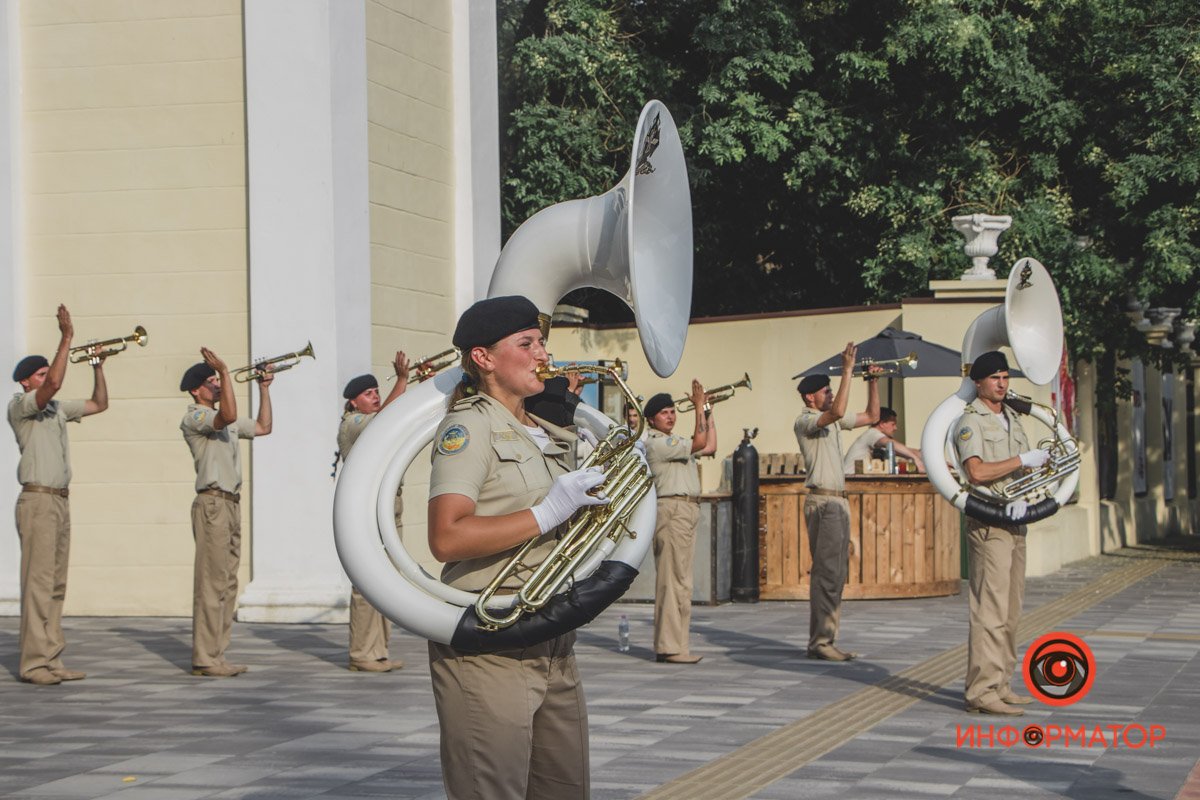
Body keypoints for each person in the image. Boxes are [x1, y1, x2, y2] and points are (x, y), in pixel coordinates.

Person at [427, 295, 605, 800]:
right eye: (526, 344)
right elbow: (446, 537)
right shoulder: (469, 426)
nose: (542, 354)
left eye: (541, 342)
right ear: (483, 358)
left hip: (553, 634)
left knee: (566, 790)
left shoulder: (543, 431)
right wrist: (546, 513)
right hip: (491, 643)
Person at [8, 305, 108, 685]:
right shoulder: (21, 406)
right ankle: (34, 664)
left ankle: (52, 658)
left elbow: (99, 404)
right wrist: (66, 338)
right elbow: (54, 384)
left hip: (60, 500)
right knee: (38, 584)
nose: (46, 377)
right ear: (25, 382)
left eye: (45, 371)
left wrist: (98, 367)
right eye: (39, 374)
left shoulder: (54, 410)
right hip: (37, 500)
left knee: (55, 584)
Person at [954, 350, 1049, 716]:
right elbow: (976, 472)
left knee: (1011, 609)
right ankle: (981, 690)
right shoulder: (971, 420)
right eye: (994, 377)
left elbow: (1020, 470)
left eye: (1006, 377)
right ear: (978, 382)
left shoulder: (1013, 418)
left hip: (1015, 518)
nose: (1002, 383)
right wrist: (1021, 460)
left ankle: (1001, 683)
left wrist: (1034, 474)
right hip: (989, 520)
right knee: (989, 609)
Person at [179, 348, 273, 678]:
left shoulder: (223, 419)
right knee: (211, 582)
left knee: (227, 583)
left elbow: (263, 427)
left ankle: (217, 653)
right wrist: (225, 372)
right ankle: (205, 657)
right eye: (211, 382)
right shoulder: (196, 417)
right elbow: (229, 416)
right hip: (213, 503)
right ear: (196, 390)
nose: (217, 385)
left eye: (217, 381)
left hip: (231, 503)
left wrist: (264, 389)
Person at [794, 342, 880, 662]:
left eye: (831, 391)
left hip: (837, 502)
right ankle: (820, 642)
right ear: (810, 397)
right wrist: (847, 371)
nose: (830, 395)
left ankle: (825, 639)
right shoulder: (805, 420)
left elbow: (872, 416)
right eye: (825, 391)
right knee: (827, 573)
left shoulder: (831, 420)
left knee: (836, 573)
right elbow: (839, 411)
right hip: (823, 501)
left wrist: (872, 381)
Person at [337, 352, 410, 673]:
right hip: (368, 508)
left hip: (387, 506)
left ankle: (378, 650)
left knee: (386, 581)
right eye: (368, 394)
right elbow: (386, 420)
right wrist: (404, 380)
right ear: (353, 402)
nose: (376, 396)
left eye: (377, 391)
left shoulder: (373, 421)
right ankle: (362, 652)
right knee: (367, 582)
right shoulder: (353, 422)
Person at [643, 385, 716, 665]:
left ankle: (677, 646)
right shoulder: (657, 443)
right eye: (664, 413)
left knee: (681, 582)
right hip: (672, 509)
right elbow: (699, 442)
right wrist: (698, 407)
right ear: (652, 419)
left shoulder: (674, 441)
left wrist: (707, 411)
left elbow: (709, 446)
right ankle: (669, 646)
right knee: (673, 582)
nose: (671, 416)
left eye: (673, 411)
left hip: (684, 510)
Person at [842, 406, 925, 474]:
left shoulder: (877, 442)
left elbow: (902, 450)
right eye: (893, 424)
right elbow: (891, 444)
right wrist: (916, 459)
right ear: (882, 424)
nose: (895, 428)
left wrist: (924, 455)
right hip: (850, 482)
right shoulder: (872, 433)